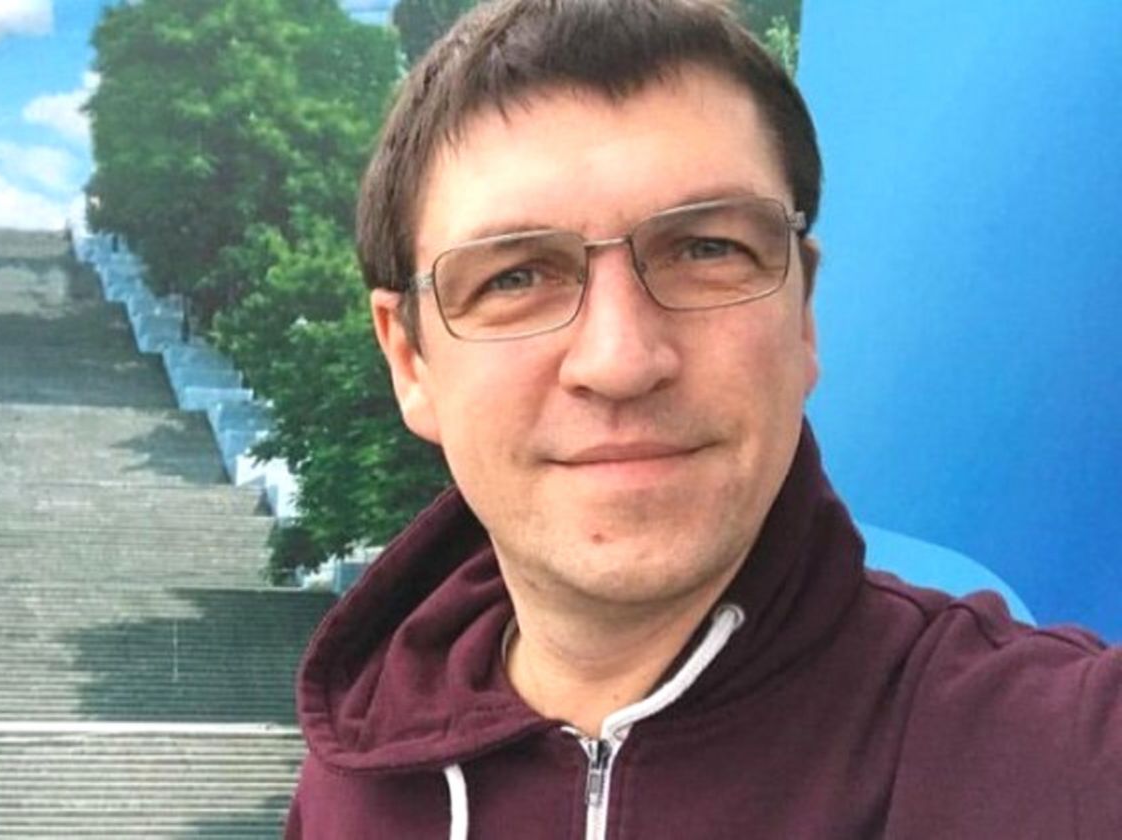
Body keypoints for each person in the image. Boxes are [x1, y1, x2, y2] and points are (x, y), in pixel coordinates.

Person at [287, 0, 1121, 837]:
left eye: (707, 250)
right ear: (410, 360)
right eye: (515, 277)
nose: (620, 360)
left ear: (803, 315)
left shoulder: (1070, 757)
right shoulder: (354, 794)